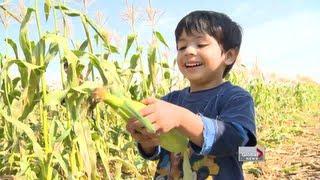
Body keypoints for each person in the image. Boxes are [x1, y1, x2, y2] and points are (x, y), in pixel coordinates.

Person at [126, 10, 257, 179]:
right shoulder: (170, 100)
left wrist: (181, 119)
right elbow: (157, 151)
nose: (188, 51)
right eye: (182, 47)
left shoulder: (235, 97)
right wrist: (146, 141)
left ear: (229, 55)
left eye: (200, 45)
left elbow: (236, 140)